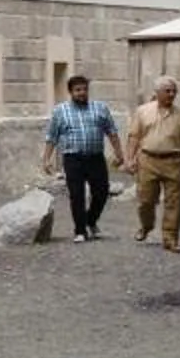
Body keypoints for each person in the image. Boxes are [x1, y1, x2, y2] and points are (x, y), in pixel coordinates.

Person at [41, 74, 123, 241]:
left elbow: (112, 131)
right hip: (73, 158)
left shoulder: (100, 108)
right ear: (71, 92)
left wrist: (119, 153)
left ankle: (90, 220)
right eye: (78, 90)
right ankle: (80, 231)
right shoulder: (60, 111)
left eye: (84, 89)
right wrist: (46, 159)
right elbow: (52, 137)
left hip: (95, 157)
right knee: (76, 195)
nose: (82, 93)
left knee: (101, 192)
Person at [126, 76, 180, 251]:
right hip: (147, 160)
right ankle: (146, 225)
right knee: (145, 200)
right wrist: (129, 159)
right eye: (167, 91)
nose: (171, 94)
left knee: (173, 202)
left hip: (173, 161)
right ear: (157, 92)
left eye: (174, 91)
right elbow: (134, 136)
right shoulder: (143, 111)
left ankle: (170, 237)